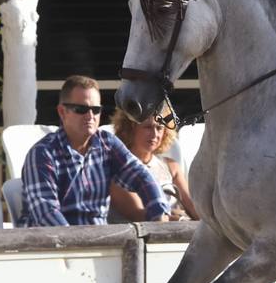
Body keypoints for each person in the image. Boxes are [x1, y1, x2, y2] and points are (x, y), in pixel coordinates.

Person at [19, 76, 171, 227]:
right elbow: (46, 213)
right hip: (50, 245)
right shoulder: (43, 153)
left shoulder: (107, 144)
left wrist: (159, 216)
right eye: (81, 109)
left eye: (96, 110)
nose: (90, 116)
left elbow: (141, 177)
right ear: (62, 112)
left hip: (98, 241)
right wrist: (80, 246)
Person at [109, 108, 198, 222]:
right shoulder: (117, 171)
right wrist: (180, 218)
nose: (155, 134)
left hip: (179, 233)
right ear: (130, 128)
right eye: (148, 127)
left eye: (159, 128)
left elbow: (195, 210)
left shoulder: (171, 167)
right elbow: (143, 216)